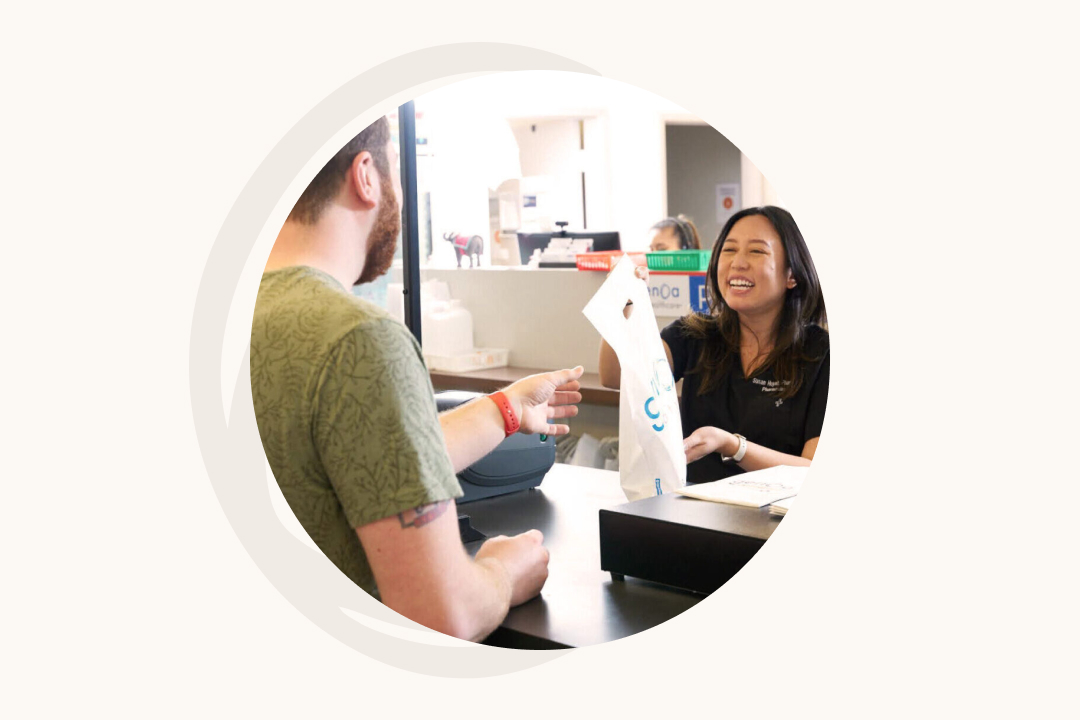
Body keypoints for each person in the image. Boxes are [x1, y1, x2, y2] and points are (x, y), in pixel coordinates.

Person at [251, 115, 585, 642]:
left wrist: (506, 409)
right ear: (366, 176)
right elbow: (440, 615)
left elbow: (367, 456)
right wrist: (503, 570)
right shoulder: (357, 337)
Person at [599, 206, 828, 483]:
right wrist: (621, 304)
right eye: (729, 250)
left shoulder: (821, 353)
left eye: (756, 251)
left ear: (792, 274)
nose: (738, 263)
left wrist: (733, 445)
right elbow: (615, 376)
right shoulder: (694, 335)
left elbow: (812, 471)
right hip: (692, 509)